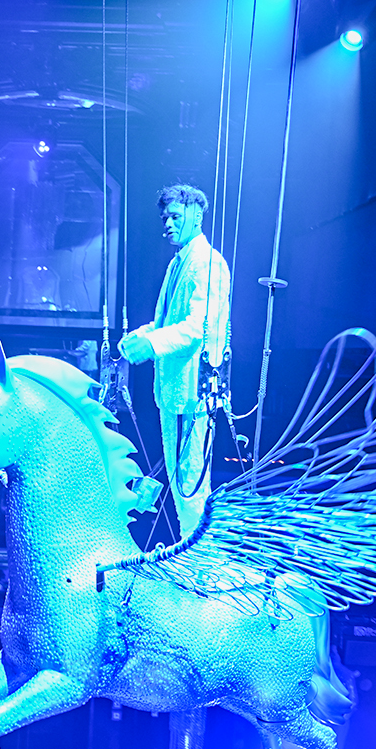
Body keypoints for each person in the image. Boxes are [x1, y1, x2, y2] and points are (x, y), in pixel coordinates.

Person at [119, 183, 231, 539]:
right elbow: (168, 321)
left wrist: (151, 344)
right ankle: (191, 550)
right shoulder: (179, 263)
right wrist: (140, 336)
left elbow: (198, 327)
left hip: (192, 394)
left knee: (190, 485)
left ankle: (200, 558)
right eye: (164, 218)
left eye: (175, 217)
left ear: (197, 215)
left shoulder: (207, 264)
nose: (167, 224)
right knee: (181, 482)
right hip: (174, 393)